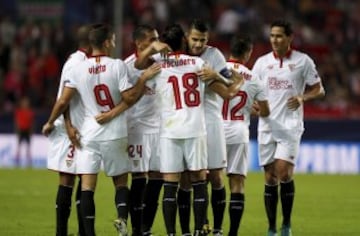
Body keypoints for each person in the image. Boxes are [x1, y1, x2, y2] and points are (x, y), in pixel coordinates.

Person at [42, 24, 160, 236]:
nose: (114, 43)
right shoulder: (117, 66)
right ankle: (122, 221)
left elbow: (63, 101)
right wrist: (142, 79)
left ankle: (88, 232)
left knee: (87, 186)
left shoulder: (78, 68)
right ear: (106, 42)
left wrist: (51, 122)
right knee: (121, 182)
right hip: (115, 132)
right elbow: (129, 98)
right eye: (113, 40)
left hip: (89, 132)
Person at [252, 20, 325, 236]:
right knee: (269, 177)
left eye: (279, 36)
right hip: (266, 126)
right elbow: (250, 89)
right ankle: (272, 227)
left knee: (283, 173)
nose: (274, 40)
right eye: (272, 36)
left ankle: (286, 224)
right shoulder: (262, 63)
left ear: (290, 38)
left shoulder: (303, 61)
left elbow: (320, 90)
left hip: (290, 126)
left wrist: (303, 96)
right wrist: (253, 105)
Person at [178, 19, 238, 236]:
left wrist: (216, 75)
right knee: (187, 178)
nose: (198, 44)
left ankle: (218, 228)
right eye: (194, 39)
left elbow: (228, 90)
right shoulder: (179, 54)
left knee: (215, 176)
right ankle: (194, 227)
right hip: (185, 122)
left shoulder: (215, 56)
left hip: (211, 120)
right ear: (187, 37)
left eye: (202, 40)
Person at [45, 24, 93, 236]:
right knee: (68, 180)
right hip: (71, 130)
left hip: (80, 127)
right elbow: (65, 99)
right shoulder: (77, 63)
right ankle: (61, 232)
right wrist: (59, 123)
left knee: (84, 179)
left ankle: (81, 232)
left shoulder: (82, 61)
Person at [222, 35, 270, 236]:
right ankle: (233, 232)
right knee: (237, 183)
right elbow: (265, 112)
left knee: (206, 180)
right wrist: (252, 108)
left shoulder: (218, 69)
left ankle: (206, 226)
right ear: (248, 53)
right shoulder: (254, 78)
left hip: (215, 130)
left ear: (230, 50)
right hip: (239, 131)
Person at [124, 24, 163, 236]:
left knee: (157, 178)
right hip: (137, 127)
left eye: (158, 38)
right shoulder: (126, 66)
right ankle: (137, 229)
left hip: (160, 129)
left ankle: (146, 228)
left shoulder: (161, 64)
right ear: (139, 43)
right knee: (139, 178)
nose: (156, 42)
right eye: (152, 39)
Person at [14, 96, 34, 168]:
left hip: (27, 131)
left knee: (28, 147)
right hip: (21, 130)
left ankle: (29, 162)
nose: (25, 104)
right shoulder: (19, 112)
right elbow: (17, 122)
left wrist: (31, 131)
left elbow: (31, 123)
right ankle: (17, 161)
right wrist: (17, 131)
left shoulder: (30, 112)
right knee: (19, 146)